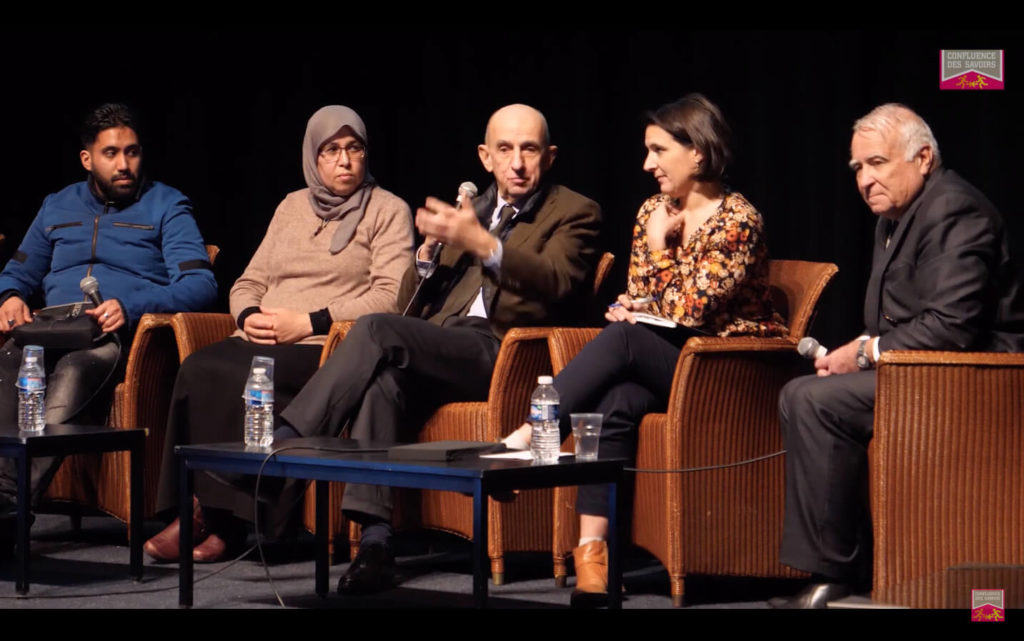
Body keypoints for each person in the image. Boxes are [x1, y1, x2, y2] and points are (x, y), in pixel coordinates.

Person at [273, 103, 601, 594]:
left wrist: (486, 246)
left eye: (529, 150)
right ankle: (377, 544)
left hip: (505, 354)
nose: (517, 163)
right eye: (505, 150)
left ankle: (287, 445)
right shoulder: (475, 209)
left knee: (376, 329)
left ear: (549, 157)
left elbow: (556, 280)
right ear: (485, 157)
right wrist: (424, 261)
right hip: (444, 348)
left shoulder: (575, 211)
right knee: (384, 384)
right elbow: (412, 307)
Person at [503, 93, 788, 607]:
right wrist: (629, 306)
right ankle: (594, 556)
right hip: (670, 360)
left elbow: (692, 309)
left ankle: (535, 432)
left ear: (697, 153)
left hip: (723, 370)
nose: (647, 165)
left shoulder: (737, 219)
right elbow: (648, 295)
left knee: (627, 340)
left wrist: (658, 254)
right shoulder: (654, 210)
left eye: (658, 151)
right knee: (615, 401)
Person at [773, 104, 1024, 609]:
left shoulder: (956, 209)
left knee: (811, 400)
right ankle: (844, 564)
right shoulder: (895, 216)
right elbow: (891, 321)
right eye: (858, 169)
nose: (865, 180)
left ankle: (835, 571)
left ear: (924, 158)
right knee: (812, 390)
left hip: (974, 375)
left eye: (878, 163)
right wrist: (850, 354)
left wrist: (863, 354)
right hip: (922, 370)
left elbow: (953, 327)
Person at [143, 105, 414, 563]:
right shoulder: (291, 205)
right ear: (314, 156)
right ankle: (198, 508)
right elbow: (248, 281)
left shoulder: (388, 210)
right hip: (263, 337)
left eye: (355, 149)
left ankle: (229, 521)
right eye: (331, 151)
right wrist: (248, 314)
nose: (345, 161)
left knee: (244, 374)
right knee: (199, 368)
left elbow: (391, 299)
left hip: (327, 348)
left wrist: (309, 322)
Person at [0, 103, 217, 551]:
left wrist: (133, 305)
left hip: (115, 337)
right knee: (8, 365)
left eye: (133, 152)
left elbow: (200, 284)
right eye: (111, 153)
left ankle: (10, 511)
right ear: (87, 159)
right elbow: (17, 272)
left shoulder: (166, 204)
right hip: (50, 329)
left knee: (75, 371)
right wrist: (10, 297)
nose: (124, 164)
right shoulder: (56, 205)